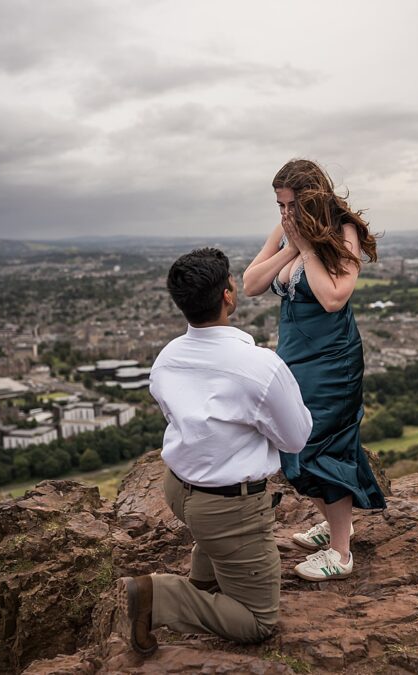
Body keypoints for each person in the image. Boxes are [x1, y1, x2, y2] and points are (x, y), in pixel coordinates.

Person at [115, 248, 313, 655]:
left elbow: (186, 421)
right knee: (258, 621)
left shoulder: (167, 358)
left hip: (179, 490)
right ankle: (161, 596)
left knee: (212, 532)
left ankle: (205, 584)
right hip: (229, 507)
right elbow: (295, 439)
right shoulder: (260, 366)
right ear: (228, 295)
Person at [243, 158, 386, 583]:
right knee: (292, 440)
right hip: (294, 360)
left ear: (313, 198)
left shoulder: (345, 233)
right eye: (279, 205)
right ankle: (338, 522)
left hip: (333, 360)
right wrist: (290, 243)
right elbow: (250, 283)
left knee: (319, 444)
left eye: (291, 205)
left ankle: (341, 553)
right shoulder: (288, 229)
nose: (284, 214)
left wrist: (306, 249)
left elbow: (333, 297)